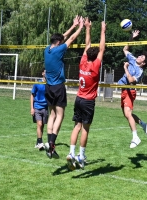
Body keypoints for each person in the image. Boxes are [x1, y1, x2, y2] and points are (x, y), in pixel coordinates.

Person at [66, 18, 106, 170]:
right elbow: (101, 49)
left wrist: (88, 28)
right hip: (88, 101)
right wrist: (103, 30)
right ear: (95, 57)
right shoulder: (95, 65)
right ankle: (81, 156)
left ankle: (71, 152)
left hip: (78, 98)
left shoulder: (83, 61)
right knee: (85, 129)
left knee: (77, 126)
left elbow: (88, 45)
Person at [44, 16, 84, 159]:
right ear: (59, 43)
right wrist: (80, 27)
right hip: (58, 87)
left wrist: (73, 25)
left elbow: (64, 37)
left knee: (52, 114)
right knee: (60, 115)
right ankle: (52, 143)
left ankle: (49, 143)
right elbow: (71, 38)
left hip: (48, 87)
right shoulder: (59, 50)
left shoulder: (47, 49)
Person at [117, 30, 147, 148]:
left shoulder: (140, 71)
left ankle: (135, 137)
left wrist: (125, 68)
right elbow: (125, 49)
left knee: (128, 114)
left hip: (129, 91)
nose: (139, 56)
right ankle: (143, 124)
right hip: (124, 90)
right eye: (140, 55)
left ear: (143, 63)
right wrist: (131, 37)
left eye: (142, 57)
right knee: (127, 115)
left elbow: (131, 80)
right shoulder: (132, 59)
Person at [30, 68, 47, 150]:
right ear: (42, 73)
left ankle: (38, 141)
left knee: (42, 125)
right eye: (45, 72)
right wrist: (32, 108)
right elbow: (32, 95)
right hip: (37, 106)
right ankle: (40, 142)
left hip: (45, 107)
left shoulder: (50, 84)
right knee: (39, 124)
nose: (47, 73)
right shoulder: (37, 83)